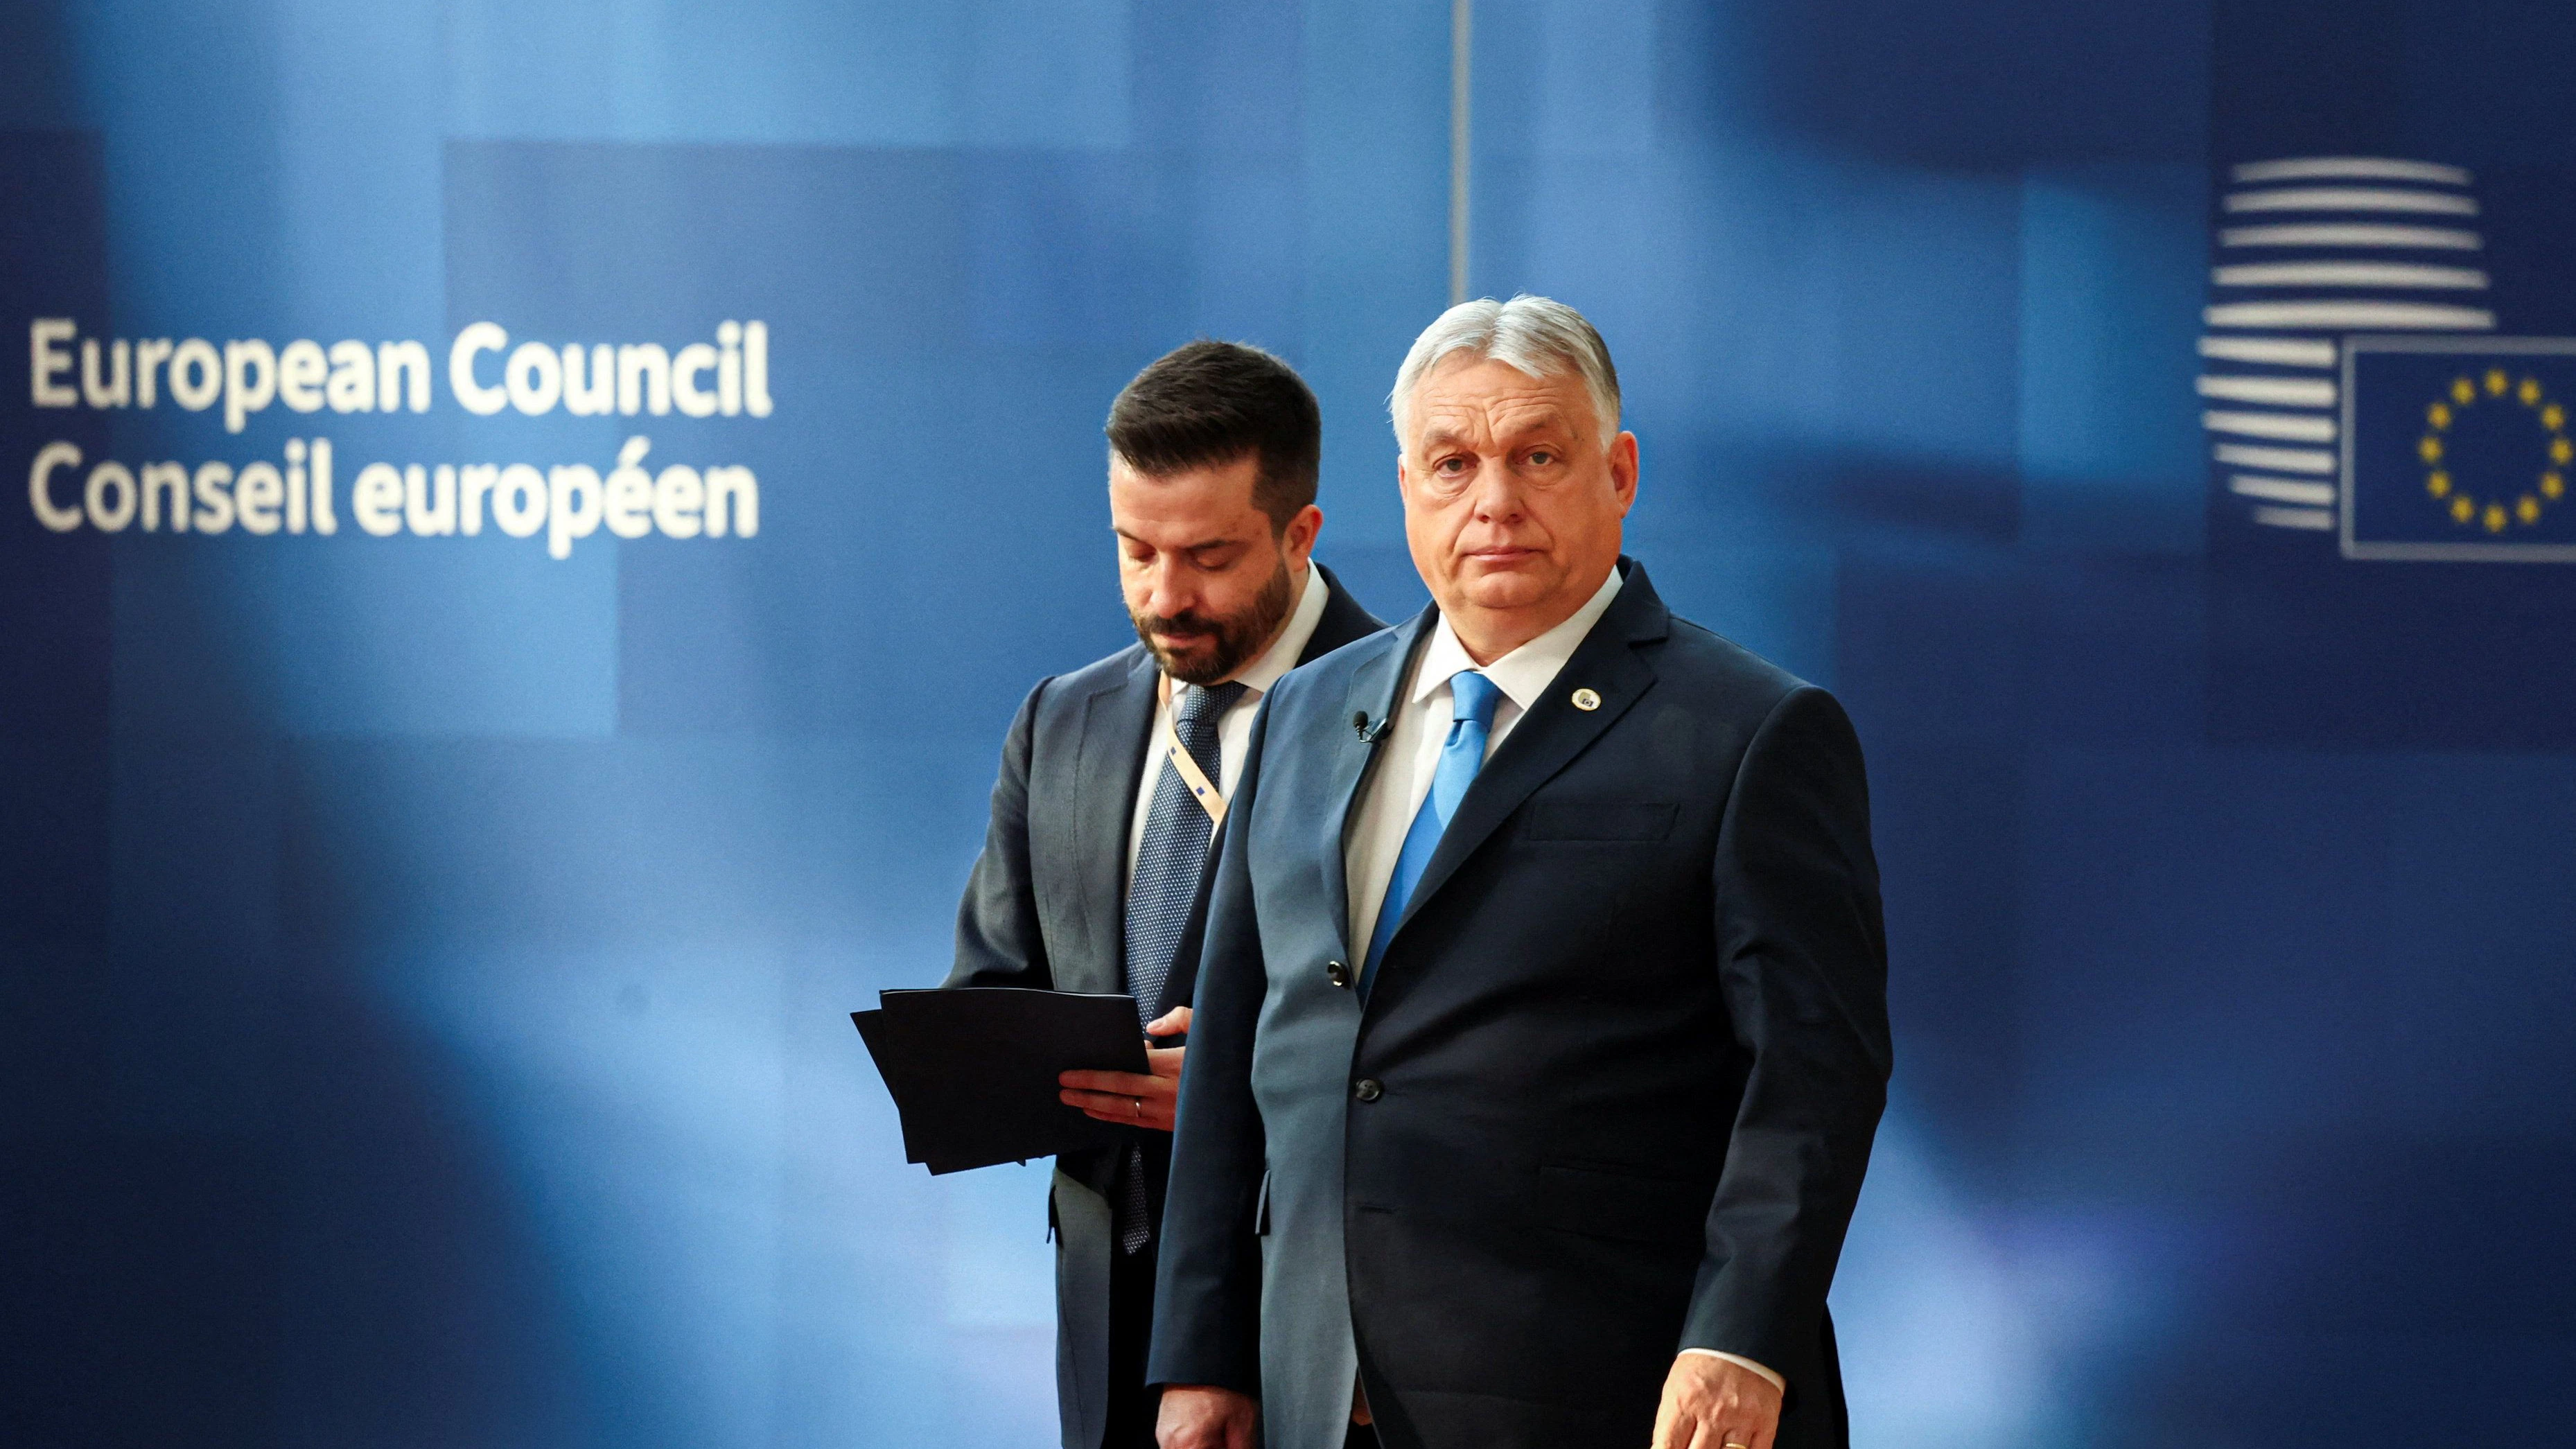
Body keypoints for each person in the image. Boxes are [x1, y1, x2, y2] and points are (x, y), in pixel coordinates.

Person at [1149, 297, 1890, 1449]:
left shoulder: (1752, 730)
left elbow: (1813, 1077)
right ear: (1406, 488)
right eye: (1453, 463)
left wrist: (1743, 1335)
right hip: (1317, 1393)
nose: (1494, 500)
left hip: (1618, 1393)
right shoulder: (1303, 709)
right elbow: (1240, 1057)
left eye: (1537, 455)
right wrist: (1201, 1351)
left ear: (1620, 471)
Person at [944, 340, 1384, 1449]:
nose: (1163, 596)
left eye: (1207, 556)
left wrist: (1256, 1099)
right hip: (1108, 1315)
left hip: (1331, 1326)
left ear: (1301, 533)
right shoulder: (1063, 720)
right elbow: (990, 994)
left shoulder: (1417, 716)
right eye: (1135, 551)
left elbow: (1464, 1050)